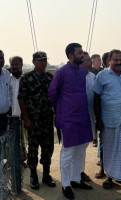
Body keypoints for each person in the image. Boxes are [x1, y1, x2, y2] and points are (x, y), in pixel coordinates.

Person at [48, 43, 93, 200]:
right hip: (68, 118)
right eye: (80, 53)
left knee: (80, 150)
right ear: (70, 55)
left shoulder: (82, 70)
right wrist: (63, 108)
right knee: (68, 152)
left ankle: (75, 180)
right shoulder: (61, 72)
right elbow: (52, 93)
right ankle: (66, 185)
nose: (83, 55)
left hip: (82, 116)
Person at [18, 51, 56, 190]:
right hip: (33, 121)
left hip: (46, 119)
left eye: (45, 60)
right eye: (40, 60)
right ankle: (33, 176)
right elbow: (21, 99)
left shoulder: (49, 77)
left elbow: (54, 98)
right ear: (33, 62)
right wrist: (26, 119)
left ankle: (46, 175)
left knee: (48, 148)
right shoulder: (26, 78)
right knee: (33, 149)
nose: (43, 63)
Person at [80, 51, 95, 182]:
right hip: (76, 118)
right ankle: (75, 174)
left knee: (84, 145)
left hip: (89, 117)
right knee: (74, 148)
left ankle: (80, 171)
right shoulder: (75, 76)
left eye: (90, 60)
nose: (90, 62)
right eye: (87, 60)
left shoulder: (92, 77)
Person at [9, 56, 27, 167]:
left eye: (17, 64)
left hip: (25, 114)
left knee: (24, 139)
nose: (14, 67)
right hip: (11, 114)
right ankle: (13, 161)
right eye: (12, 65)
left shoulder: (25, 79)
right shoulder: (8, 79)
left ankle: (22, 160)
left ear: (21, 65)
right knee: (13, 139)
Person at [0, 50, 10, 132]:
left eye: (2, 58)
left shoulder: (7, 74)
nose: (0, 60)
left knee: (3, 143)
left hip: (4, 118)